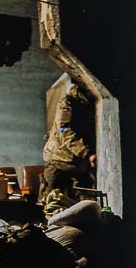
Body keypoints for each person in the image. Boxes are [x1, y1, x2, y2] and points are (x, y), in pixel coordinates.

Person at [39, 84, 97, 214]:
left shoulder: (88, 105)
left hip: (78, 163)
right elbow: (64, 131)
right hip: (58, 160)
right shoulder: (68, 103)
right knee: (51, 204)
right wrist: (87, 153)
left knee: (84, 204)